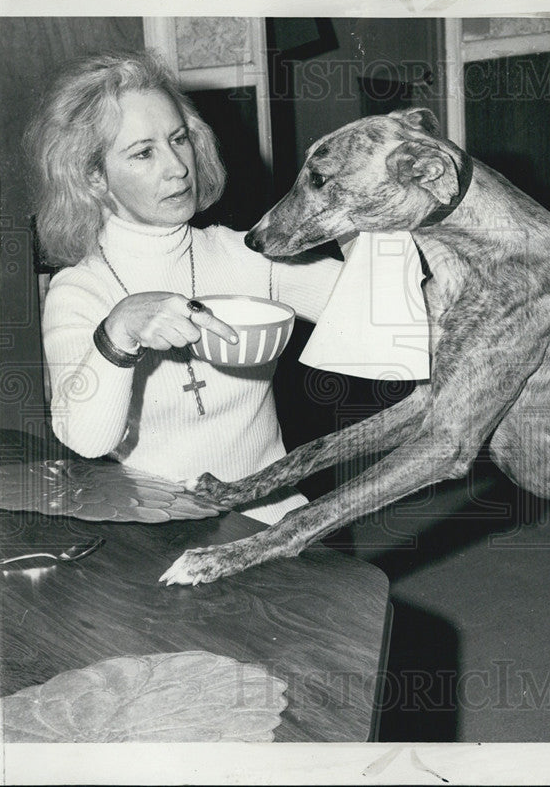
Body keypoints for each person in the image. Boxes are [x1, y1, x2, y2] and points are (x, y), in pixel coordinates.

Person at [27, 50, 349, 524]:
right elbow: (86, 439)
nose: (178, 167)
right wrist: (119, 331)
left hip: (271, 516)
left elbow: (386, 321)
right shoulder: (80, 291)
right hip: (152, 528)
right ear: (94, 178)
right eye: (143, 152)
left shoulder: (248, 256)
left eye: (179, 140)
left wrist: (364, 220)